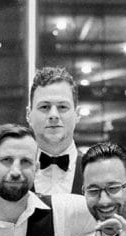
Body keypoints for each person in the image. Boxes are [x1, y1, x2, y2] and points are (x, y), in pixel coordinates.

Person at [27, 66, 85, 195]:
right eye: (45, 107)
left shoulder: (99, 170)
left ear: (77, 114)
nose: (54, 115)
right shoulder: (8, 172)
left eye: (62, 107)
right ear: (28, 115)